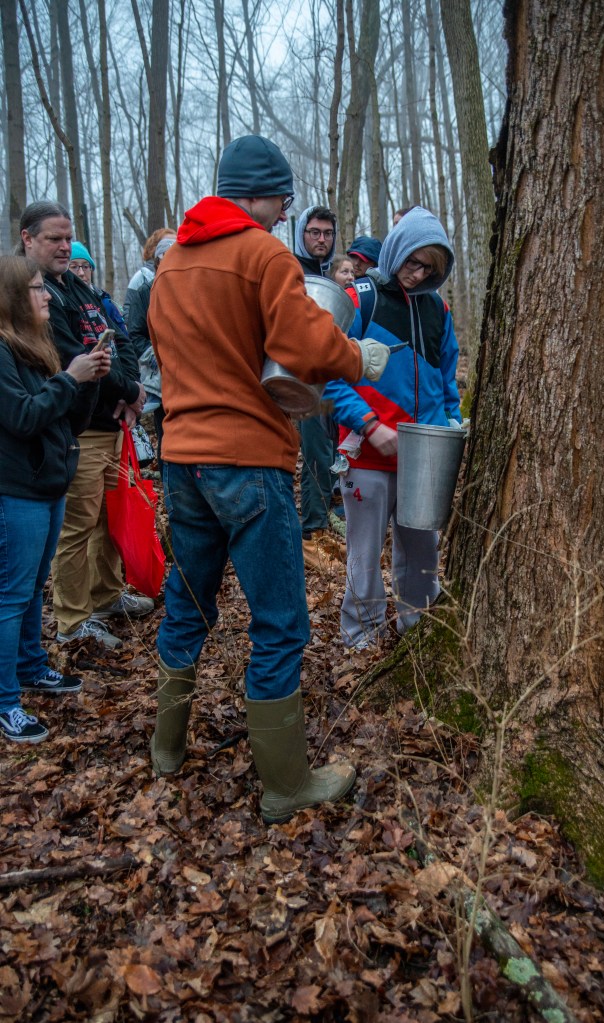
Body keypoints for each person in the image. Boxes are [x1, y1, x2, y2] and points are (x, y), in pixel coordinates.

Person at [147, 134, 389, 821]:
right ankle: (285, 783)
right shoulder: (259, 254)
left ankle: (166, 748)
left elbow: (173, 350)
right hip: (246, 458)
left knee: (187, 602)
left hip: (182, 456)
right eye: (282, 199)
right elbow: (301, 341)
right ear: (257, 192)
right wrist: (353, 358)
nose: (285, 213)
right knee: (279, 620)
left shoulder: (173, 264)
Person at [325, 207, 461, 650]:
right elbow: (328, 373)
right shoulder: (360, 298)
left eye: (428, 267)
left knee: (422, 549)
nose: (417, 274)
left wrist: (449, 430)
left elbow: (445, 383)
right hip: (367, 450)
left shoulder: (438, 309)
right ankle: (360, 637)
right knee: (364, 553)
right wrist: (368, 425)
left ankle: (418, 632)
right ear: (396, 250)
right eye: (411, 262)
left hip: (423, 456)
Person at [19, 202, 153, 651]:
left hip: (111, 419)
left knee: (106, 516)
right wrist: (129, 392)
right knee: (77, 524)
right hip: (78, 429)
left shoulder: (78, 287)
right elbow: (76, 355)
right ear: (27, 239)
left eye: (67, 238)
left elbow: (120, 338)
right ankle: (73, 620)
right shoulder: (34, 295)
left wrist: (130, 388)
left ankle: (107, 596)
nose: (62, 246)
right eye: (53, 239)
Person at [0, 256, 111, 743]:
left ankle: (31, 666)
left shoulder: (34, 346)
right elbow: (23, 417)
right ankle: (5, 702)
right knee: (11, 595)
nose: (48, 296)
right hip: (15, 491)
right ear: (12, 297)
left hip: (49, 485)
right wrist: (71, 377)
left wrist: (90, 380)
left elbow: (66, 421)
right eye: (38, 289)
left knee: (32, 588)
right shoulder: (1, 350)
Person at [293, 206, 345, 562]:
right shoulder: (292, 271)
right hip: (296, 380)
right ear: (302, 234)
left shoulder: (332, 274)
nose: (321, 239)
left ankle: (321, 525)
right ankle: (311, 535)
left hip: (331, 379)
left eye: (327, 233)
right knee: (314, 452)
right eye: (314, 232)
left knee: (328, 450)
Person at [125, 234, 176, 453]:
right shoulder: (144, 282)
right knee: (168, 437)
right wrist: (162, 360)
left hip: (190, 375)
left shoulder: (185, 279)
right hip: (162, 376)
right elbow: (134, 334)